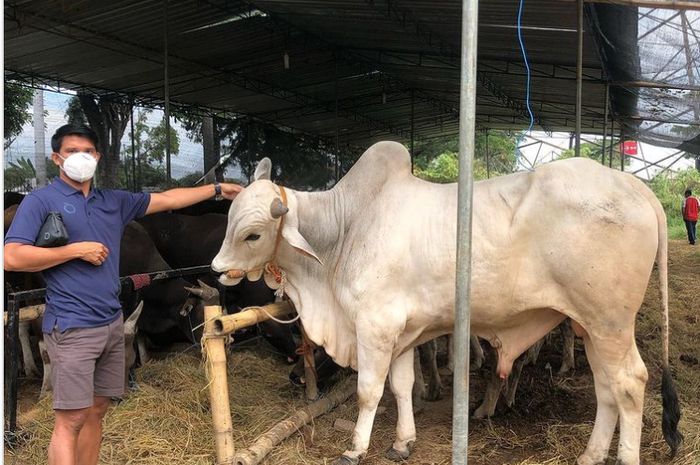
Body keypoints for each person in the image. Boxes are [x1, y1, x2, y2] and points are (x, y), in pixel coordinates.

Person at [3, 124, 243, 465]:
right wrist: (74, 251)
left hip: (112, 324)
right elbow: (11, 257)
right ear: (57, 158)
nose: (80, 158)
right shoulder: (41, 201)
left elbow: (169, 199)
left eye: (87, 151)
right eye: (72, 152)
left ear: (97, 157)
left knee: (98, 410)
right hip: (71, 326)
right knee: (70, 419)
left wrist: (217, 189)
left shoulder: (113, 201)